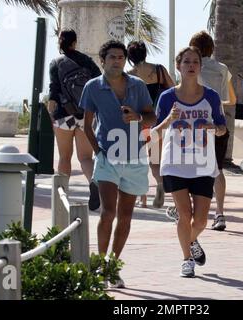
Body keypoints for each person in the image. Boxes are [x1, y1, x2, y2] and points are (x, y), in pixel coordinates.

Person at [80, 40, 156, 287]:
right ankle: (101, 266)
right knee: (108, 212)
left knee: (125, 216)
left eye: (121, 57)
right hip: (107, 157)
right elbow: (87, 125)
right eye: (112, 57)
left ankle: (113, 266)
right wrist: (97, 152)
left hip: (134, 157)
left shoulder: (138, 85)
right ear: (102, 60)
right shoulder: (92, 87)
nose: (117, 60)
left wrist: (138, 118)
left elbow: (151, 117)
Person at [152, 46, 226, 278]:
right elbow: (153, 133)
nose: (191, 65)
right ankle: (186, 260)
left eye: (195, 62)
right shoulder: (166, 98)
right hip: (175, 163)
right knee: (185, 215)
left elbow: (223, 128)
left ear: (200, 67)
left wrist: (214, 128)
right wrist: (168, 119)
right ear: (178, 66)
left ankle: (191, 239)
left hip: (203, 164)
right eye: (186, 62)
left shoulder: (211, 96)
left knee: (201, 219)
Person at [165, 31, 236, 232]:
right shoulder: (222, 69)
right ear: (212, 47)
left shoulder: (190, 68)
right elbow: (232, 99)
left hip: (192, 127)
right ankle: (220, 213)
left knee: (189, 165)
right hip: (217, 124)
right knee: (218, 169)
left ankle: (182, 209)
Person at [48, 29, 101, 211]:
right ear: (75, 42)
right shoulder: (86, 61)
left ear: (60, 42)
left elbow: (53, 91)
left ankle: (62, 194)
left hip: (64, 116)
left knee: (64, 156)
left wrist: (51, 114)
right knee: (85, 157)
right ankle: (94, 182)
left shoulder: (56, 63)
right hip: (84, 115)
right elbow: (98, 83)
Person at [127, 40, 175, 208]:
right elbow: (173, 90)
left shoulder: (129, 74)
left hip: (139, 122)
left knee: (139, 160)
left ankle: (143, 198)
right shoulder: (159, 70)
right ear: (145, 53)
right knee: (155, 160)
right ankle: (160, 185)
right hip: (158, 121)